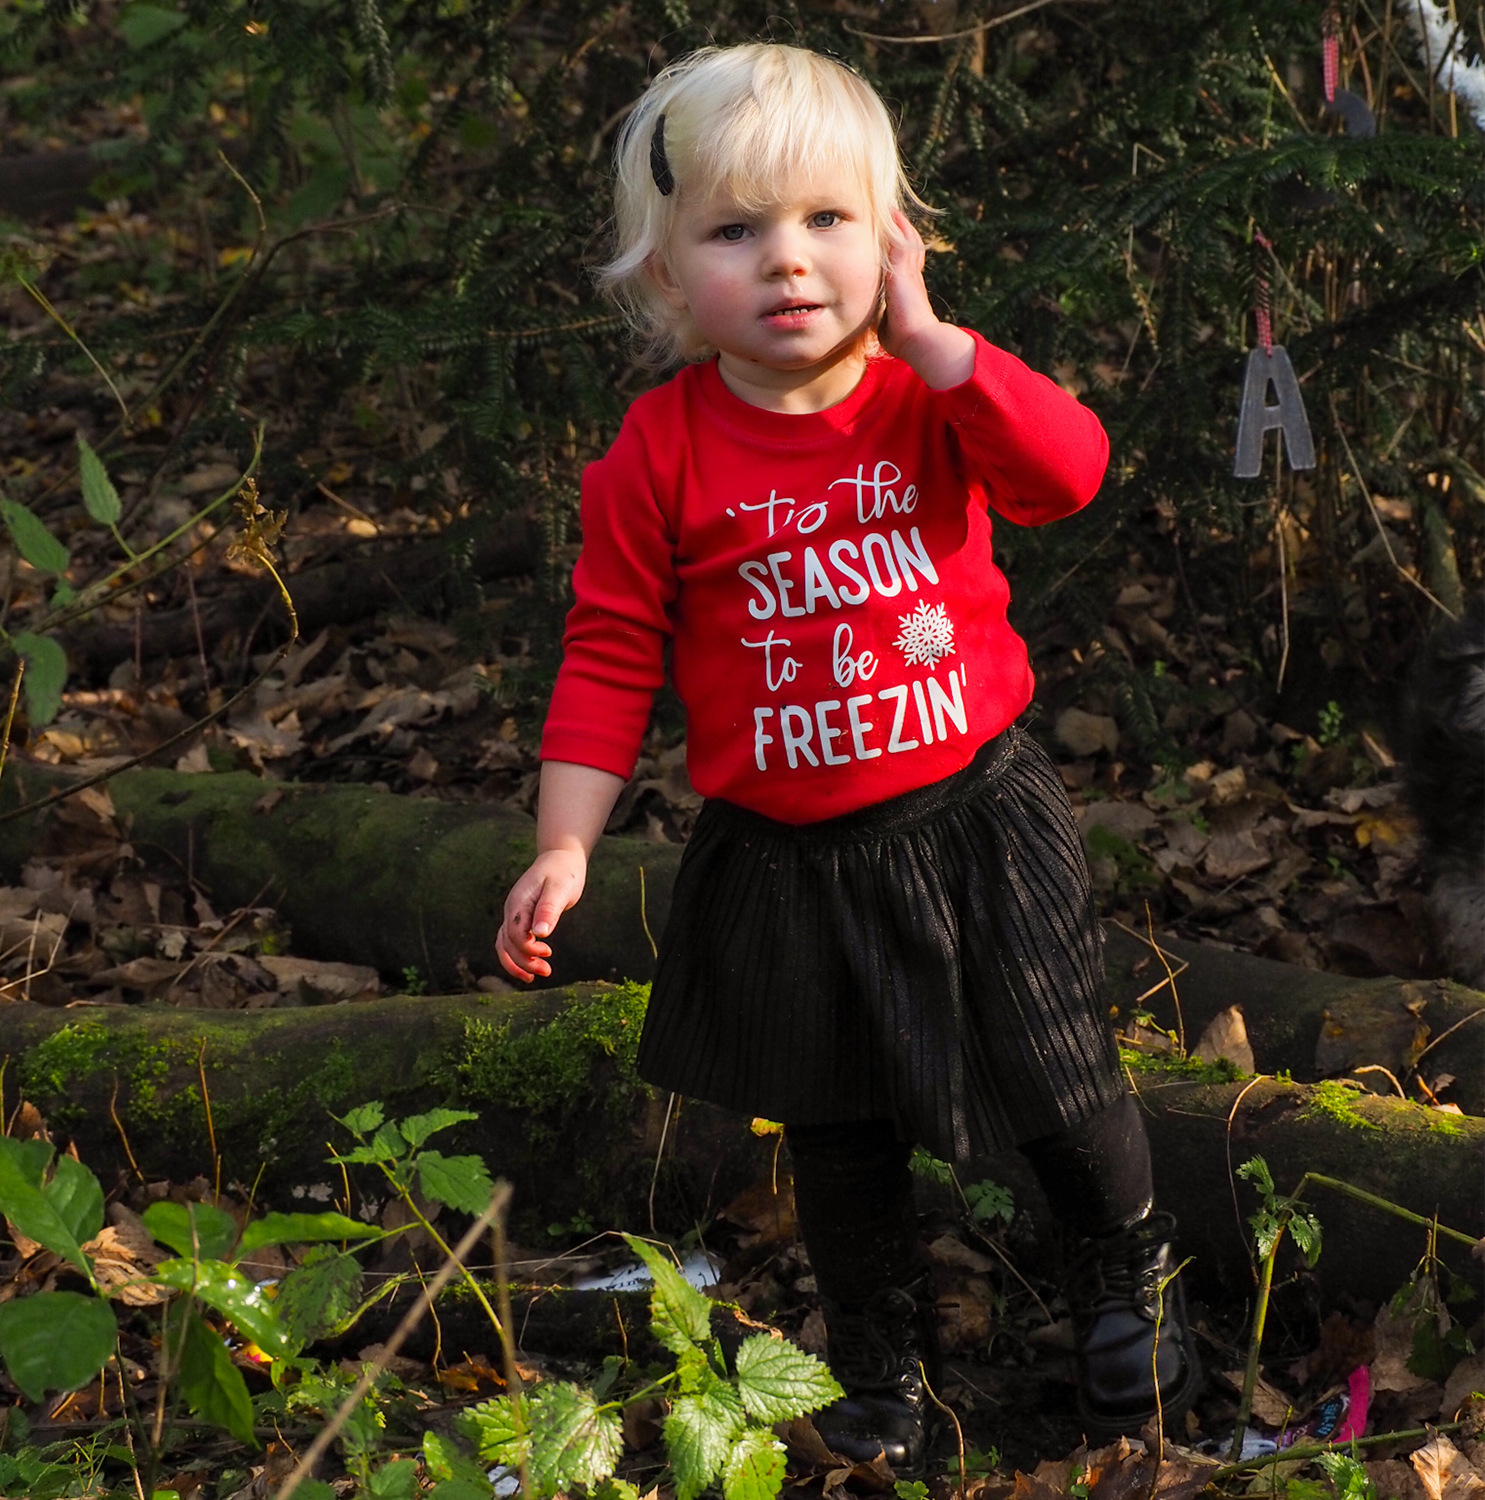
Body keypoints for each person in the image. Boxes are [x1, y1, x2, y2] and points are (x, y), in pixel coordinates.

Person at [495, 42, 1199, 1474]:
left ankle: (1127, 1277)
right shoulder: (658, 453)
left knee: (1059, 1070)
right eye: (735, 231)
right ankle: (882, 1369)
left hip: (975, 817)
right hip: (789, 856)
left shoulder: (928, 395)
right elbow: (611, 653)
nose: (788, 259)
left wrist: (944, 347)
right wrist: (565, 840)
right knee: (837, 1130)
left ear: (893, 239)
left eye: (828, 219)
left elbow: (1067, 474)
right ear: (665, 272)